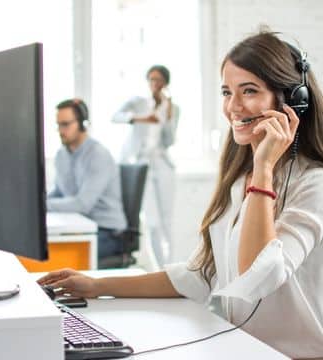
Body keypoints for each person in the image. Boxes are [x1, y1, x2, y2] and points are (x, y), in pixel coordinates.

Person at [39, 32, 323, 359]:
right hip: (243, 349)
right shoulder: (238, 181)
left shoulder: (312, 183)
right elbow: (199, 275)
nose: (233, 106)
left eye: (249, 91)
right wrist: (98, 286)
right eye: (227, 92)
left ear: (294, 101)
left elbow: (257, 277)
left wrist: (263, 169)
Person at [112, 65, 180, 267]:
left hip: (162, 163)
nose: (154, 83)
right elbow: (115, 116)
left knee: (167, 220)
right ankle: (160, 268)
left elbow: (169, 141)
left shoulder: (172, 107)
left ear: (165, 83)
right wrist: (140, 118)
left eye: (158, 80)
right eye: (151, 79)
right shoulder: (138, 102)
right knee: (152, 222)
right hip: (141, 164)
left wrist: (167, 116)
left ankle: (172, 266)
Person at [47, 98, 127, 268]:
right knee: (45, 249)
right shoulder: (62, 155)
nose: (61, 131)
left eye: (66, 124)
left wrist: (43, 205)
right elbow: (59, 193)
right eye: (58, 125)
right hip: (80, 226)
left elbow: (82, 204)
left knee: (55, 259)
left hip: (107, 232)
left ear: (83, 123)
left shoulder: (98, 155)